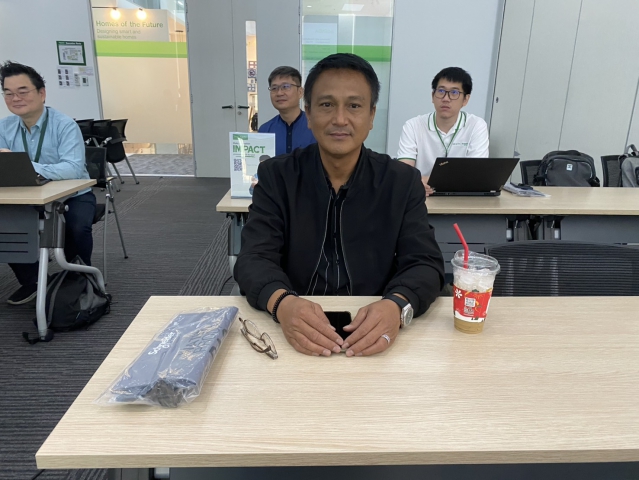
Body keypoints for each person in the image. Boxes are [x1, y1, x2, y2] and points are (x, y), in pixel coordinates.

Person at [235, 53, 444, 358]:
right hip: (292, 329)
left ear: (371, 116)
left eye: (354, 106)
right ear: (308, 114)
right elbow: (253, 258)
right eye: (326, 105)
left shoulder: (400, 182)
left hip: (372, 327)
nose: (340, 119)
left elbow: (425, 263)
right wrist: (282, 303)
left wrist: (397, 305)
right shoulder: (277, 177)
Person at [0, 61, 96, 305]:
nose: (15, 98)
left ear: (41, 93)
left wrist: (27, 166)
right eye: (8, 93)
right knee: (7, 225)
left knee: (77, 226)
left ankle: (79, 277)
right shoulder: (4, 127)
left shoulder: (64, 125)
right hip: (26, 195)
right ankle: (32, 281)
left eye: (23, 91)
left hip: (73, 194)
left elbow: (73, 168)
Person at [397, 67, 489, 195]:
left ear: (465, 100)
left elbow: (476, 174)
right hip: (422, 196)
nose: (446, 98)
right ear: (433, 96)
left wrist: (420, 180)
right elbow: (403, 172)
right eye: (441, 91)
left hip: (461, 198)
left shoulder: (476, 125)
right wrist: (414, 182)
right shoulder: (413, 126)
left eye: (454, 92)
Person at [258, 66, 316, 156]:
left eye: (286, 87)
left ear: (300, 92)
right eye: (274, 88)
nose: (279, 93)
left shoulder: (315, 126)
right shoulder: (265, 130)